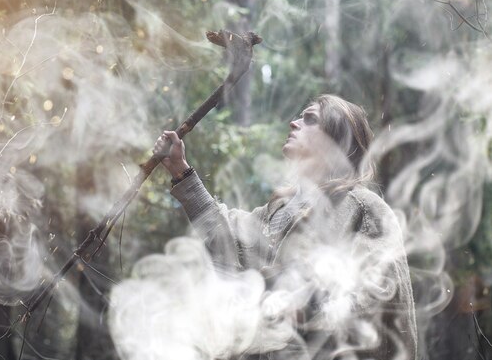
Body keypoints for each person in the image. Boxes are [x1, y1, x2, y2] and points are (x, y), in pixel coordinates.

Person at [153, 94, 417, 360]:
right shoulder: (276, 212)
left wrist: (309, 305)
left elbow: (382, 297)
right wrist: (180, 169)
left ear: (338, 140)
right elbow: (226, 241)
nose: (293, 123)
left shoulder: (362, 207)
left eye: (310, 119)